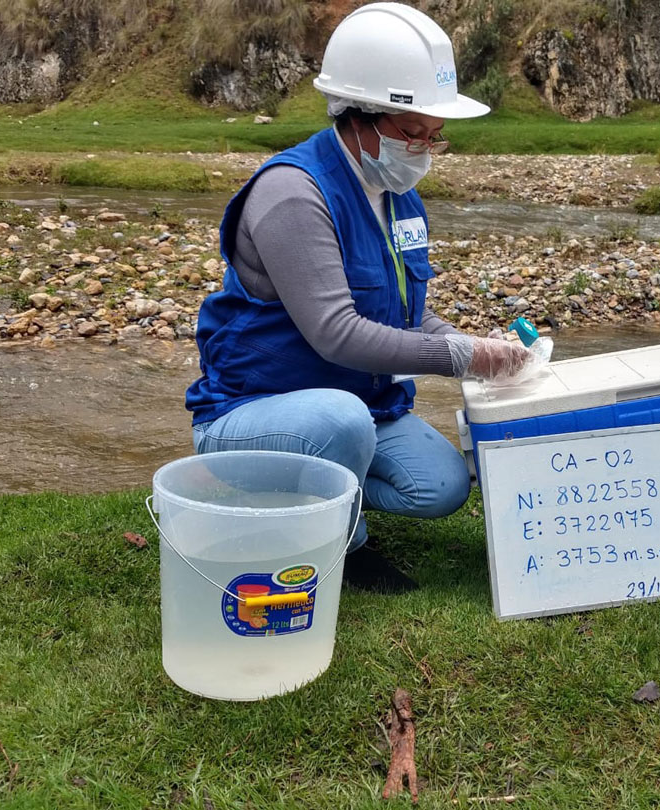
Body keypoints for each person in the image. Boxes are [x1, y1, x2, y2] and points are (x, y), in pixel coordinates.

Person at [185, 2, 531, 593]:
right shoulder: (294, 194)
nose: (424, 149)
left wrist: (461, 339)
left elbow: (407, 309)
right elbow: (336, 334)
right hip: (257, 410)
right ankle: (342, 545)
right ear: (360, 117)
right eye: (412, 133)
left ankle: (295, 490)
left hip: (356, 409)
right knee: (339, 422)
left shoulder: (396, 193)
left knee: (440, 486)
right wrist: (459, 359)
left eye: (434, 136)